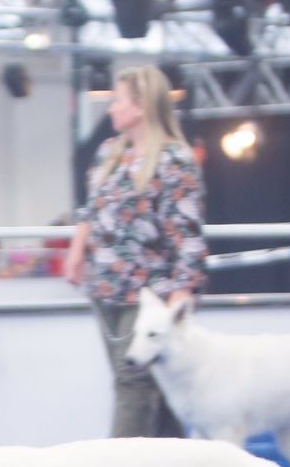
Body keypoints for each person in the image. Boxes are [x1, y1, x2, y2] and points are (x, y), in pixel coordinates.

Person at [62, 65, 208, 438]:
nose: (111, 108)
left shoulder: (175, 160)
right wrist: (77, 251)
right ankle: (182, 466)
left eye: (118, 100)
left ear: (141, 106)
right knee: (143, 384)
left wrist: (180, 296)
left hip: (150, 293)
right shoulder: (109, 153)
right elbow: (91, 209)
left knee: (133, 384)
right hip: (106, 286)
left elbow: (187, 233)